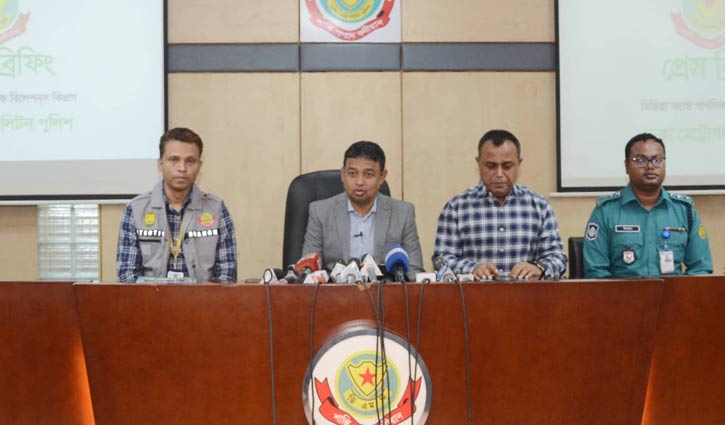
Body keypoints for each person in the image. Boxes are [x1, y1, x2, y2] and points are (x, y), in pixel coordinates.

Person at [433, 129, 567, 280]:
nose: (499, 174)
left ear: (519, 163)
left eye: (507, 166)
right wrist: (472, 268)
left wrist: (539, 268)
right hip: (473, 294)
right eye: (490, 166)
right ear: (478, 163)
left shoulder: (539, 206)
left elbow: (557, 258)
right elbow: (441, 260)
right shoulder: (456, 208)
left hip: (526, 294)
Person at [116, 127, 237, 283]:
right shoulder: (135, 210)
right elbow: (127, 277)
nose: (182, 168)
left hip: (203, 298)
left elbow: (226, 276)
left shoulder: (217, 209)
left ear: (200, 165)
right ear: (160, 164)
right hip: (150, 298)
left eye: (190, 161)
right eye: (174, 160)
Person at [583, 133, 712, 277]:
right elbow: (596, 272)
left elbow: (700, 269)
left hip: (673, 292)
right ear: (627, 166)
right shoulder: (606, 211)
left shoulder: (684, 211)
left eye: (657, 160)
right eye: (640, 160)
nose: (650, 166)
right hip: (622, 292)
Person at [301, 140, 424, 277]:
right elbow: (308, 271)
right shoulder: (320, 212)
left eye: (368, 174)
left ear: (382, 177)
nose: (359, 182)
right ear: (343, 174)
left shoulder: (403, 213)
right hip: (336, 289)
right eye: (352, 173)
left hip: (384, 289)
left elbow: (414, 270)